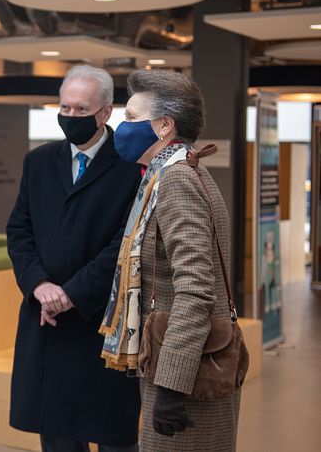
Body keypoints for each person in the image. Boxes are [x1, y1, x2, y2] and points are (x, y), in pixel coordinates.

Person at [100, 69, 241, 451]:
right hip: (179, 359)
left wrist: (172, 385)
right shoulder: (172, 171)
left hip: (187, 372)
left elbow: (196, 289)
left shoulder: (176, 178)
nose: (121, 125)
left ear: (163, 126)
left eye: (130, 116)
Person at [6, 65, 142, 452]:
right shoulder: (39, 162)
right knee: (58, 437)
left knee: (113, 437)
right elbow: (19, 231)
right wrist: (40, 286)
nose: (70, 117)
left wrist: (71, 294)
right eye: (64, 107)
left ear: (105, 113)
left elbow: (124, 243)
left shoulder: (132, 168)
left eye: (81, 110)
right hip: (47, 323)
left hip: (102, 325)